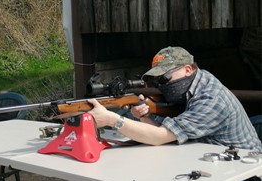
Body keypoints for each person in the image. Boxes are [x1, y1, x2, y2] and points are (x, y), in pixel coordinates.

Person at [87, 46, 262, 151]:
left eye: (164, 78)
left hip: (243, 170)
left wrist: (111, 119)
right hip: (208, 158)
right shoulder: (198, 81)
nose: (161, 85)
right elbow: (161, 136)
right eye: (157, 80)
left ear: (188, 69)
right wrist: (144, 115)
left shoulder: (211, 99)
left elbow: (160, 137)